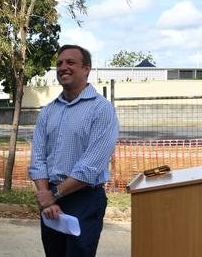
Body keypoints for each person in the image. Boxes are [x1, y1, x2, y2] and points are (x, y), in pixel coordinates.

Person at [28, 44, 119, 257]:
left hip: (84, 199)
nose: (63, 67)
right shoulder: (48, 111)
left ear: (87, 69)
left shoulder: (101, 109)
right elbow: (38, 158)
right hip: (50, 197)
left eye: (70, 62)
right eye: (59, 63)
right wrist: (44, 194)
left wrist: (54, 195)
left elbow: (91, 166)